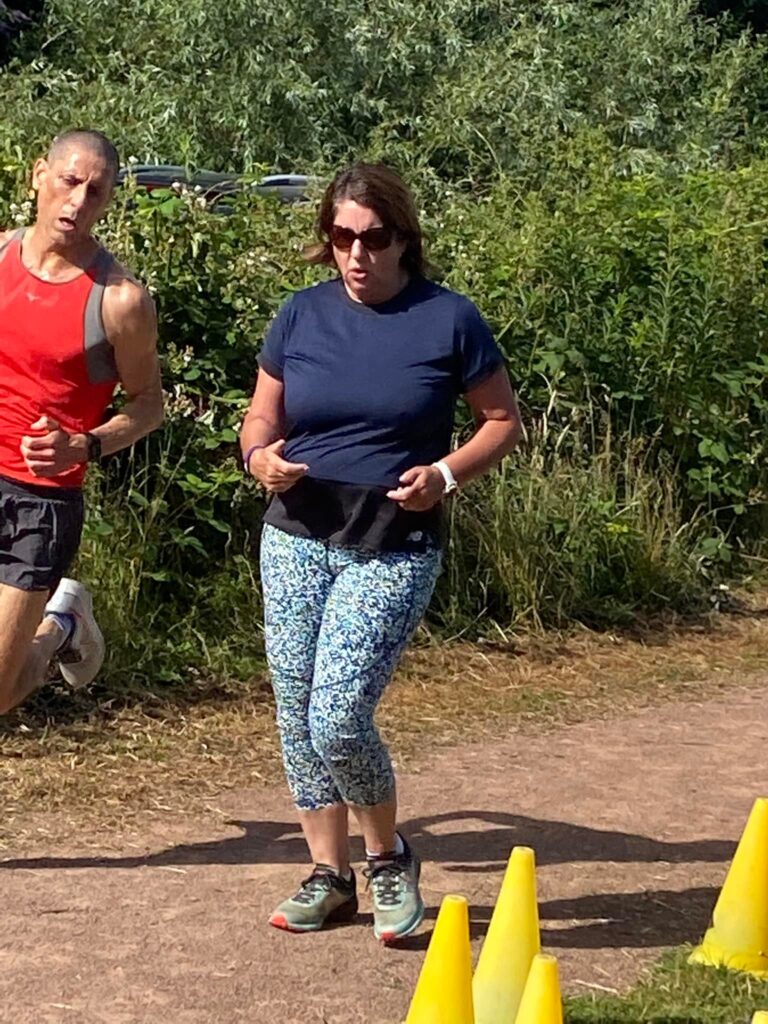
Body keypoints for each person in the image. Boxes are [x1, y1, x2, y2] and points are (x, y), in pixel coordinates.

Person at [240, 163, 521, 942]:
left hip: (393, 542)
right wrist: (259, 459)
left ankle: (388, 857)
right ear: (326, 238)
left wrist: (444, 475)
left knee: (337, 716)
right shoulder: (300, 315)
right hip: (295, 535)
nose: (357, 254)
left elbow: (502, 421)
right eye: (342, 237)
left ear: (403, 239)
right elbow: (259, 420)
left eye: (373, 238)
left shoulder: (449, 320)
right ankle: (329, 877)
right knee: (297, 712)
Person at [0, 129, 163, 714]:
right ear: (38, 176)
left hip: (39, 501)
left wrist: (85, 445)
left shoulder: (120, 300)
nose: (77, 201)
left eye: (95, 191)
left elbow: (149, 404)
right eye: (69, 181)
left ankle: (62, 625)